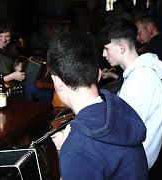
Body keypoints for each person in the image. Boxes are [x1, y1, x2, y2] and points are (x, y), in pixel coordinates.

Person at [47, 32, 148, 180]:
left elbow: (87, 151)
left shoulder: (76, 150)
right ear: (99, 74)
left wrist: (70, 147)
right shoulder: (119, 109)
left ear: (58, 82)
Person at [100, 17, 162, 169]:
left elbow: (120, 133)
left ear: (121, 48)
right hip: (132, 160)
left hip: (131, 166)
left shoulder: (141, 81)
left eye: (106, 49)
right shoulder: (140, 75)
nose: (103, 55)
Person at [0, 19, 52, 103]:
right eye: (0, 36)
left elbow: (15, 66)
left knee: (45, 91)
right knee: (30, 90)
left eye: (7, 36)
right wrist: (12, 76)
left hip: (14, 84)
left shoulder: (11, 47)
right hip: (1, 90)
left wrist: (24, 67)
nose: (4, 40)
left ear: (11, 35)